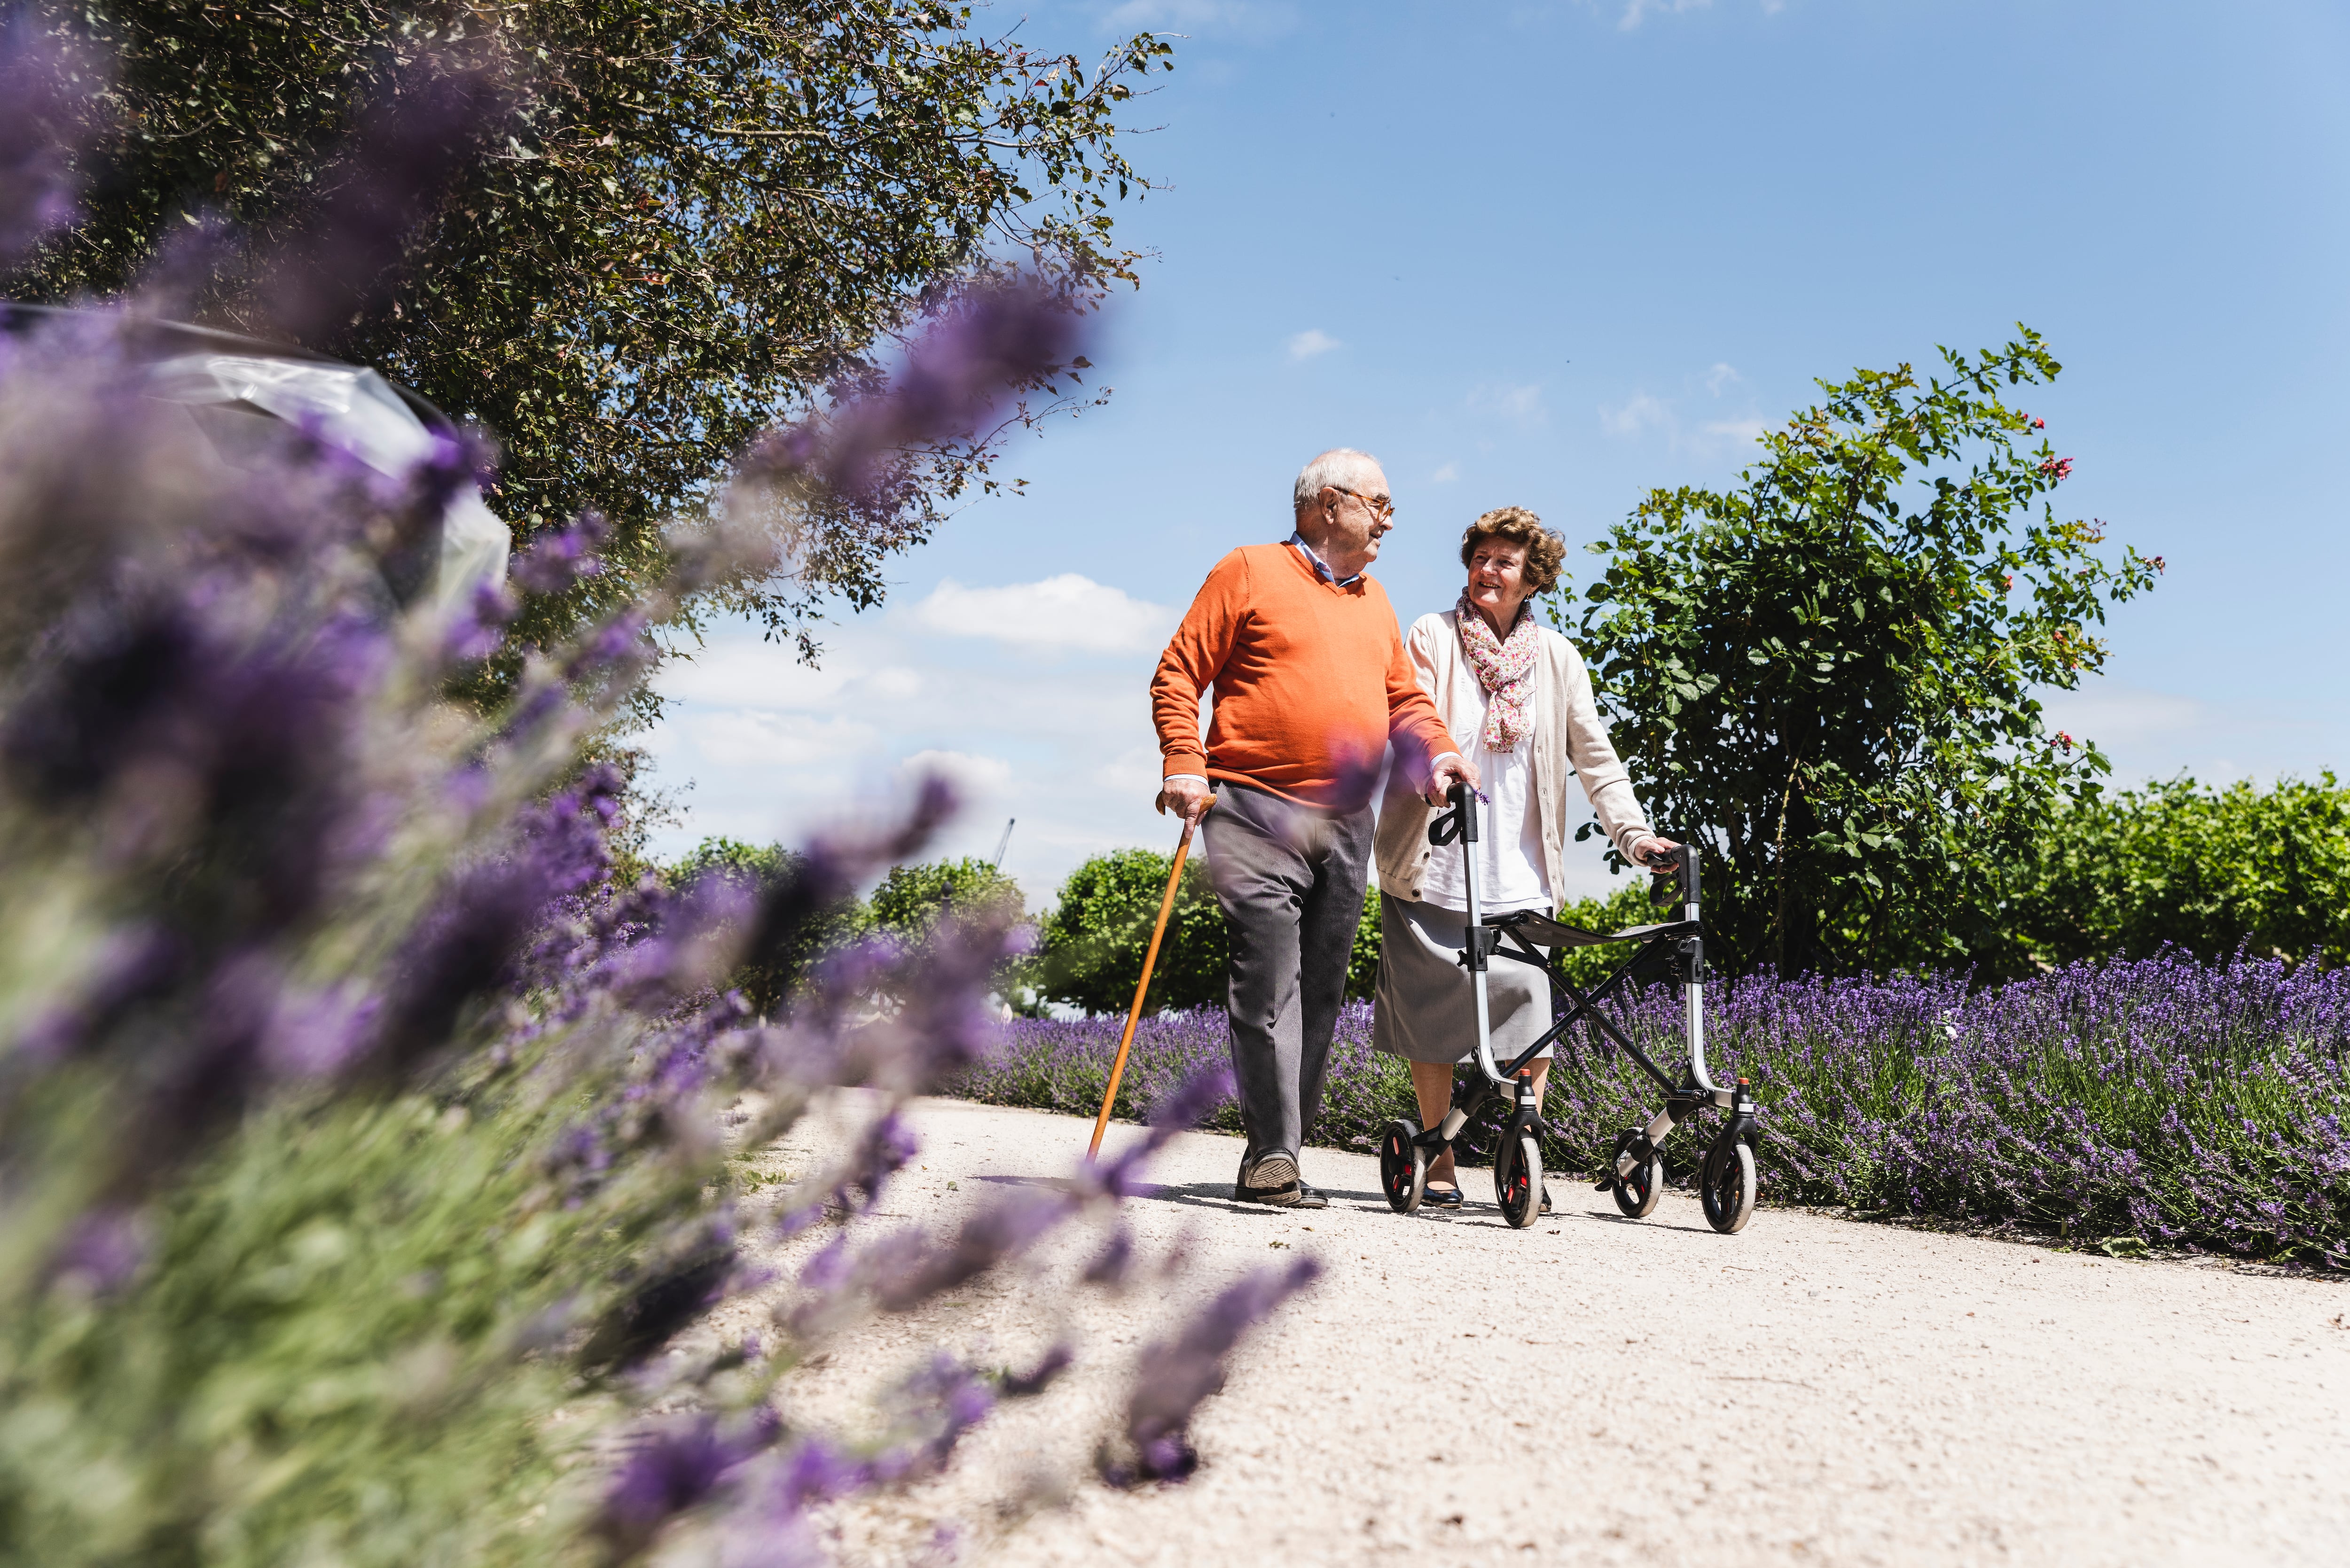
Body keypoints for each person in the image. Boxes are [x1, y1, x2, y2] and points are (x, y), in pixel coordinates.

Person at [1151, 448, 1479, 1209]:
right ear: (1330, 505)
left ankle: (1278, 1147)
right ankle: (1274, 1155)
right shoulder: (1248, 571)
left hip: (1347, 822)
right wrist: (1183, 758)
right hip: (1254, 805)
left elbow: (1404, 701)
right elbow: (1178, 670)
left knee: (1322, 993)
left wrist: (1439, 756)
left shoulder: (1377, 600)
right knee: (1267, 977)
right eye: (1380, 503)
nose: (1390, 518)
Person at [1371, 506, 1679, 1210]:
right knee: (1434, 1012)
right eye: (1479, 557)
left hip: (1521, 867)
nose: (1487, 569)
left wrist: (1634, 836)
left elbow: (1595, 759)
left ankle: (1523, 1141)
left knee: (1533, 1009)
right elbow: (1407, 719)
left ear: (1531, 577)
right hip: (1436, 856)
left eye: (1504, 561)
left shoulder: (1557, 659)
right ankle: (1438, 1150)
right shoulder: (1433, 636)